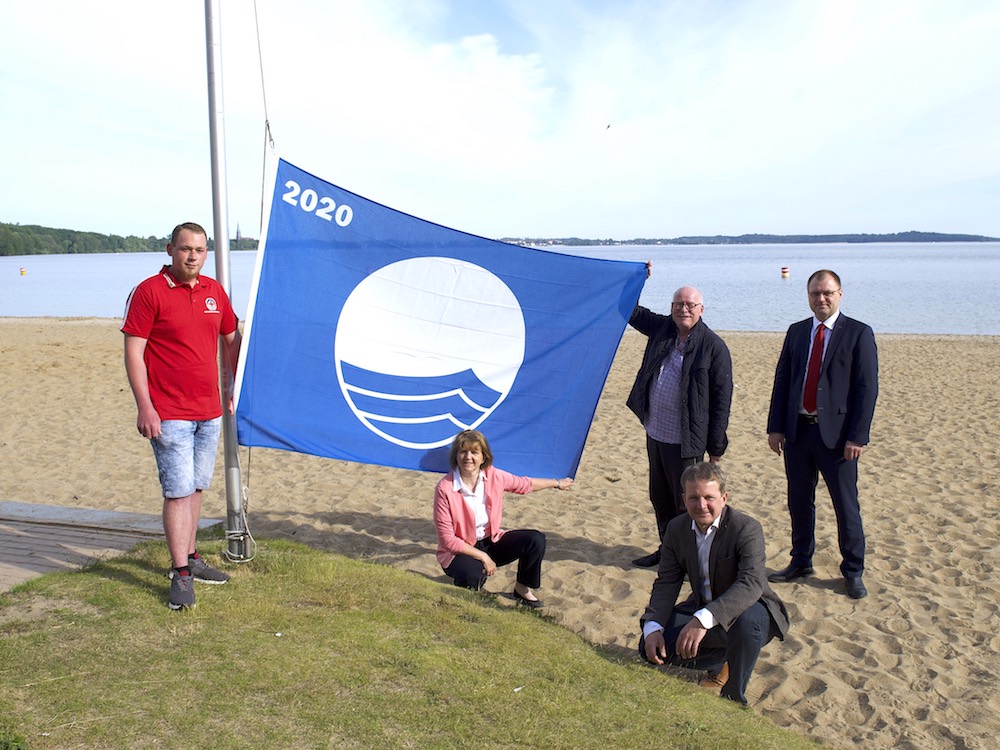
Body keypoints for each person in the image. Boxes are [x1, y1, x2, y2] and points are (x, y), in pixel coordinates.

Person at [122, 222, 241, 610]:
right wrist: (145, 406)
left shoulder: (214, 292)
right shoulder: (149, 292)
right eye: (186, 249)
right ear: (171, 249)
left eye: (200, 250)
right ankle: (180, 574)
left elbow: (230, 340)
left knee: (196, 487)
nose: (193, 256)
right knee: (177, 491)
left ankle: (191, 557)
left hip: (209, 411)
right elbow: (134, 352)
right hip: (168, 412)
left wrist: (234, 386)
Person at [766, 269, 878, 600]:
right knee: (800, 502)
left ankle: (853, 570)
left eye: (827, 293)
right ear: (808, 296)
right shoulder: (798, 331)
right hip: (798, 432)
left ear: (840, 294)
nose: (821, 299)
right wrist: (775, 427)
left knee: (846, 506)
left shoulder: (858, 333)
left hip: (839, 439)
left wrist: (857, 437)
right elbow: (782, 380)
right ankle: (801, 561)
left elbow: (866, 388)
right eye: (815, 294)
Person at [638, 462, 790, 706]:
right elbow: (667, 581)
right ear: (683, 498)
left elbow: (751, 583)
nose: (702, 505)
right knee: (650, 649)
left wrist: (702, 619)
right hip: (702, 606)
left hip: (751, 609)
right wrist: (653, 626)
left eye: (709, 497)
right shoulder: (676, 529)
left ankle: (733, 696)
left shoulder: (746, 528)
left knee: (745, 623)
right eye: (694, 498)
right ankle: (723, 660)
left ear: (724, 497)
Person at [626, 281, 733, 568]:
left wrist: (716, 447)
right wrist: (638, 279)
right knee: (659, 498)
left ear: (701, 309)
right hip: (656, 433)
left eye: (689, 305)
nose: (683, 309)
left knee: (684, 503)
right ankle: (668, 550)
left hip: (686, 442)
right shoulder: (663, 329)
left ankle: (689, 560)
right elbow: (631, 311)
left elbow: (722, 401)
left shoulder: (713, 347)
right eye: (678, 304)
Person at [433, 429, 573, 608]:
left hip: (491, 541)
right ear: (456, 456)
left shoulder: (494, 476)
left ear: (483, 457)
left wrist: (556, 483)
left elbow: (524, 484)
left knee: (535, 539)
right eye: (463, 451)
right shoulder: (444, 488)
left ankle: (522, 588)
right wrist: (483, 556)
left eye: (474, 452)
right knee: (474, 576)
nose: (468, 457)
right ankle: (471, 585)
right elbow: (448, 540)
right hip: (459, 550)